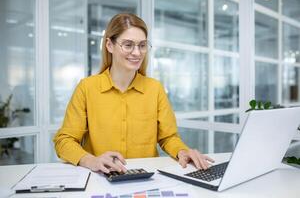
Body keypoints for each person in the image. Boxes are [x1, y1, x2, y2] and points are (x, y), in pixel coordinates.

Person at [53, 13, 214, 174]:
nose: (137, 53)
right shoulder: (87, 88)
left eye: (142, 45)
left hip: (146, 178)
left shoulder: (155, 89)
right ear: (109, 45)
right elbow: (64, 141)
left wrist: (182, 151)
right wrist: (91, 160)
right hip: (101, 179)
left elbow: (168, 137)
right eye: (128, 45)